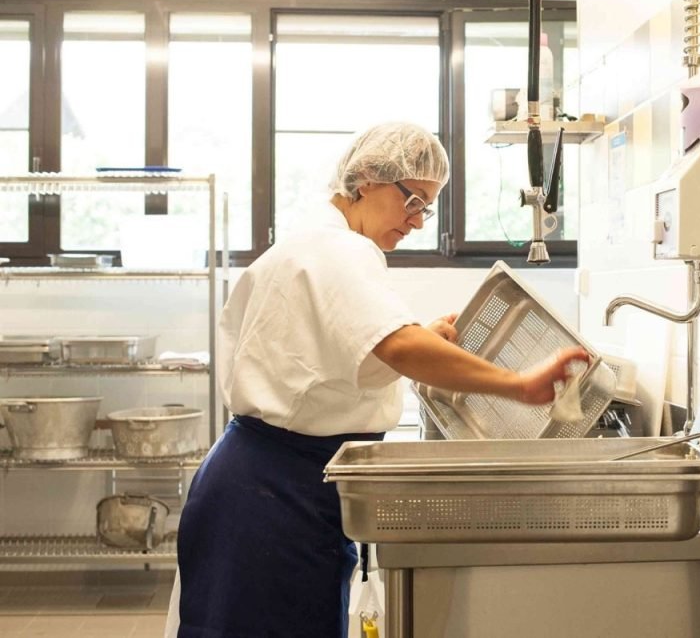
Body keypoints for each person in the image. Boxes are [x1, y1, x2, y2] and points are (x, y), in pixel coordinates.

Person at [169, 122, 588, 638]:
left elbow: (338, 357)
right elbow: (398, 346)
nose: (416, 222)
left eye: (426, 208)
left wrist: (418, 339)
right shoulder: (338, 251)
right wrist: (518, 384)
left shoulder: (318, 246)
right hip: (273, 497)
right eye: (412, 201)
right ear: (366, 179)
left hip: (270, 485)